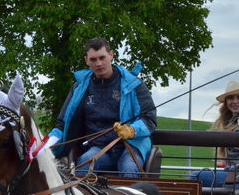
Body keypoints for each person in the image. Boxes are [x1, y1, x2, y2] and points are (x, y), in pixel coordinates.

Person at [29, 37, 157, 177]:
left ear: (111, 55)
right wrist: (43, 148)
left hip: (130, 146)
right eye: (93, 59)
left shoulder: (134, 84)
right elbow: (62, 126)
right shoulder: (79, 88)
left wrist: (132, 130)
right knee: (84, 163)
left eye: (102, 57)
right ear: (86, 61)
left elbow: (149, 119)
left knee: (128, 167)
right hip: (98, 148)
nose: (99, 63)